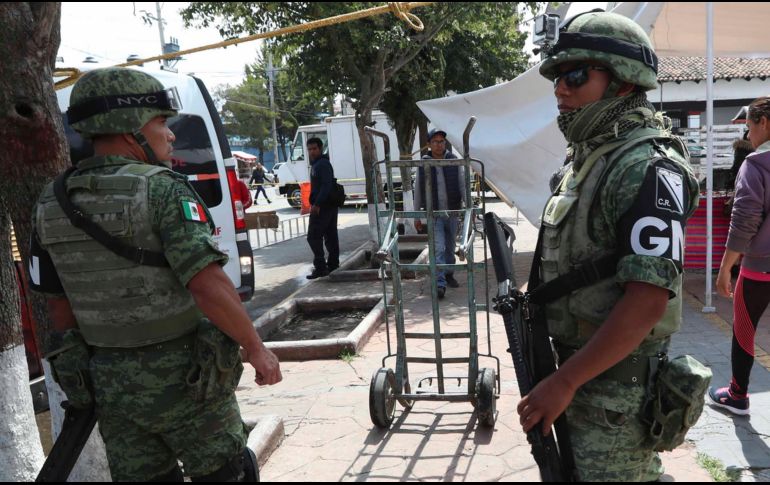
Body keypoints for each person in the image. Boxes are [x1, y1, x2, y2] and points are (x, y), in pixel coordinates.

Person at [29, 67, 281, 482]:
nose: (171, 135)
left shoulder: (51, 201)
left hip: (111, 384)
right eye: (162, 122)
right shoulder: (163, 188)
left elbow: (59, 305)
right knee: (226, 474)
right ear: (130, 128)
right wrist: (255, 348)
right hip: (187, 378)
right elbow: (208, 284)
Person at [516, 11, 700, 481]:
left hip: (614, 398)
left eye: (575, 75)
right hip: (581, 379)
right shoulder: (592, 157)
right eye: (558, 76)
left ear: (622, 82)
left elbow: (647, 301)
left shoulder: (646, 166)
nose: (561, 88)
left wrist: (565, 381)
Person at [710, 97, 770, 416]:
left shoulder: (756, 164)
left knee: (744, 329)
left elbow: (745, 220)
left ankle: (737, 396)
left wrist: (724, 269)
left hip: (760, 267)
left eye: (749, 127)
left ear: (763, 123)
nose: (748, 136)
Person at [413, 129, 465, 299]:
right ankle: (439, 283)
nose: (439, 144)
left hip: (452, 212)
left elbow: (462, 185)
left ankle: (449, 274)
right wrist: (417, 216)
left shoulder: (453, 161)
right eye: (435, 141)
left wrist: (469, 208)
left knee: (450, 247)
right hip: (434, 214)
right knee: (438, 248)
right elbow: (418, 191)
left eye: (441, 141)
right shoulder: (424, 163)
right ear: (429, 144)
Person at [305, 137, 339, 279]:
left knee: (313, 236)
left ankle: (321, 267)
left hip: (323, 206)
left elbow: (326, 186)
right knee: (330, 236)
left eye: (314, 149)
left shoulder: (322, 164)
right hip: (327, 205)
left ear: (320, 148)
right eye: (309, 149)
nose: (312, 152)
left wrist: (317, 204)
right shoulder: (318, 164)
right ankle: (332, 265)